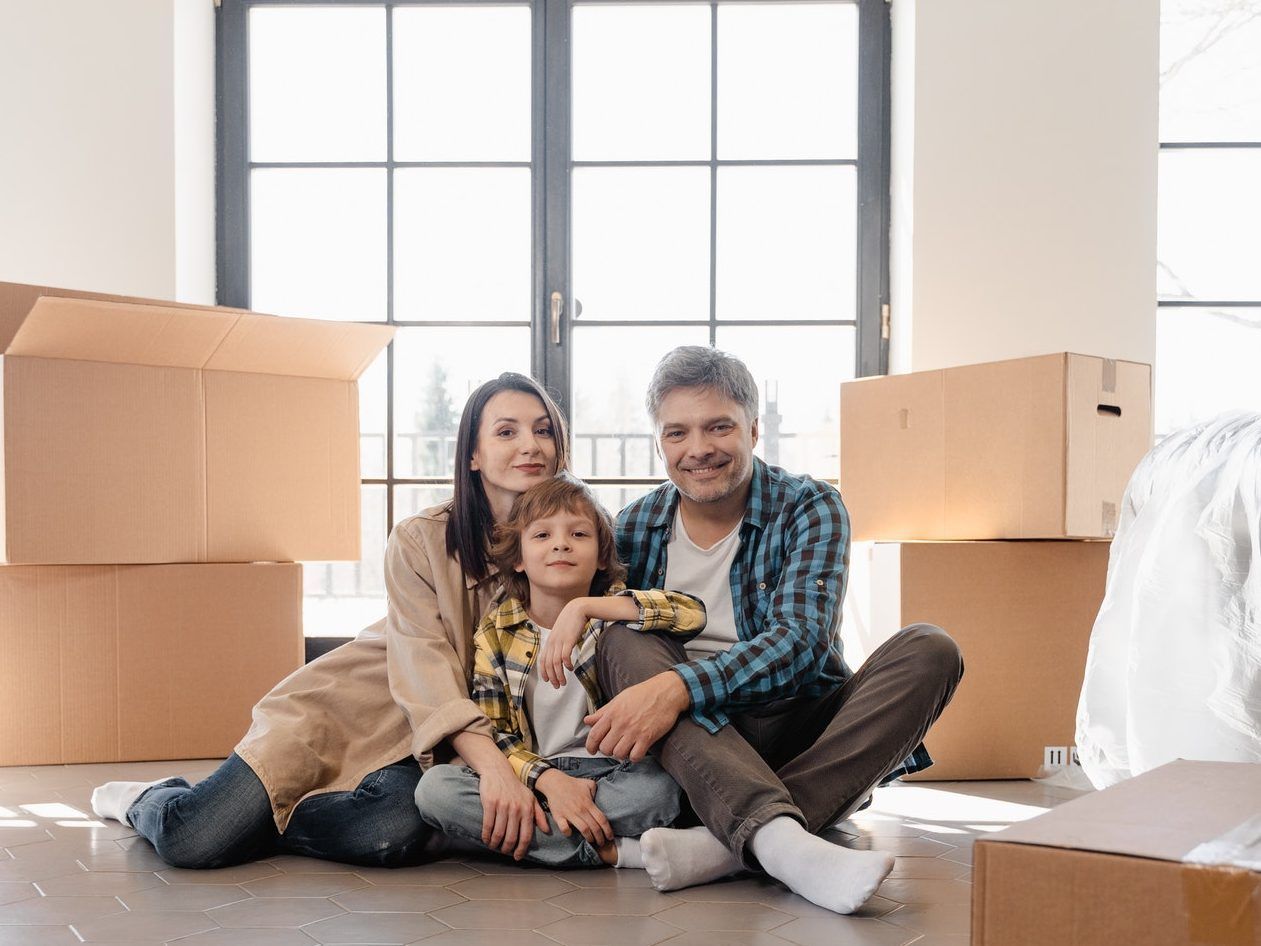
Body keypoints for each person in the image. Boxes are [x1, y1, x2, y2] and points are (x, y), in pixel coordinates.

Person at [90, 372, 571, 868]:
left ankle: (266, 824)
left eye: (543, 430)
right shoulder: (420, 539)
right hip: (344, 714)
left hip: (427, 746)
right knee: (194, 840)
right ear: (473, 455)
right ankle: (150, 799)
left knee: (388, 835)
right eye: (507, 432)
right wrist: (497, 771)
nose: (530, 446)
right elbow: (427, 673)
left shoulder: (572, 540)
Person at [585, 346, 964, 914]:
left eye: (719, 427)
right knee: (621, 637)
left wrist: (679, 687)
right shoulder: (636, 524)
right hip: (700, 744)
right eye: (677, 433)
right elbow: (616, 659)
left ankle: (730, 845)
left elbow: (801, 643)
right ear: (659, 441)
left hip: (799, 722)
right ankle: (784, 842)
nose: (698, 450)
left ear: (754, 429)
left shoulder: (809, 505)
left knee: (932, 649)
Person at [415, 474, 706, 869]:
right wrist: (548, 783)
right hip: (533, 775)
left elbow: (692, 613)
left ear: (602, 555)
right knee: (435, 790)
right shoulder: (496, 634)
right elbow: (496, 733)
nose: (561, 543)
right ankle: (612, 850)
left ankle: (534, 842)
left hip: (611, 773)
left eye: (579, 534)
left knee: (663, 789)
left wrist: (586, 608)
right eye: (541, 536)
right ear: (518, 558)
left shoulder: (614, 616)